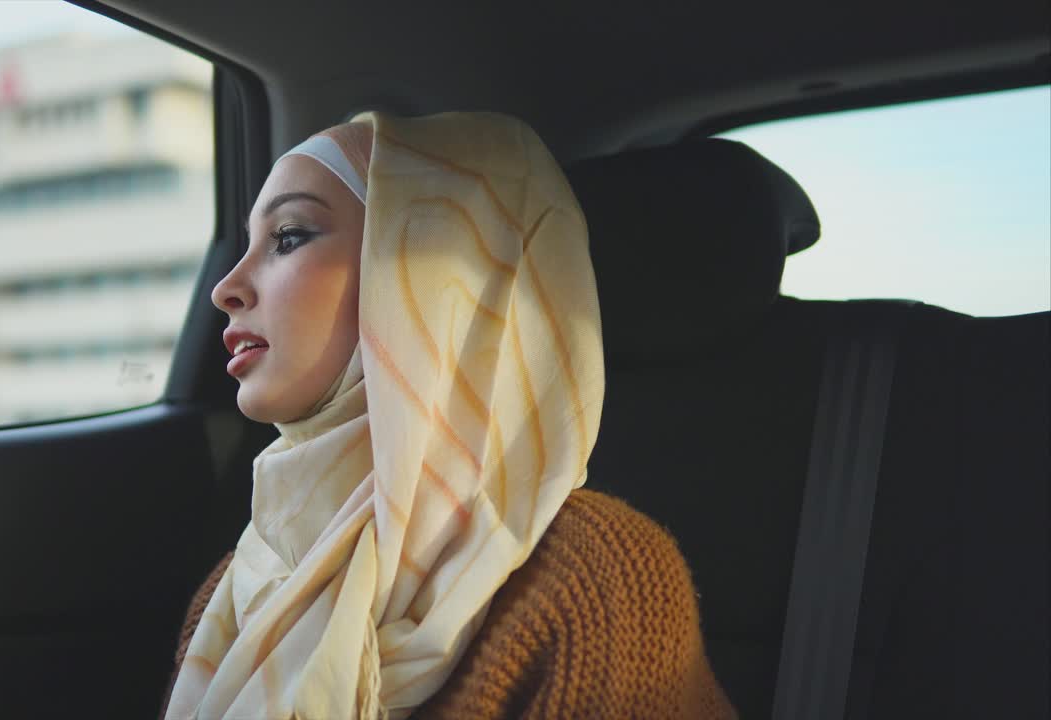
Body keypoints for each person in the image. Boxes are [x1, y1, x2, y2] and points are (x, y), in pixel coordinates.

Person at [162, 112, 736, 720]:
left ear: (428, 275)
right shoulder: (242, 581)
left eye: (288, 236)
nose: (226, 286)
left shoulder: (597, 584)